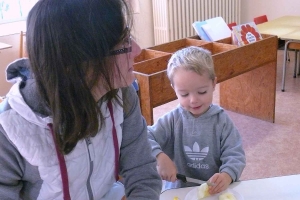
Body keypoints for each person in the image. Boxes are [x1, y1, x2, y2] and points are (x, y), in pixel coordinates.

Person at [0, 0, 162, 199]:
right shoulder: (9, 129)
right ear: (81, 61)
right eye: (124, 43)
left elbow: (143, 174)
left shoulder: (123, 95)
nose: (136, 50)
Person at [147, 46, 246, 195]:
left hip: (214, 192)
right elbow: (144, 137)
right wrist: (159, 156)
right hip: (178, 191)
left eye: (202, 92)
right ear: (174, 89)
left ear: (213, 84)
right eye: (184, 94)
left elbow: (235, 154)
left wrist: (227, 175)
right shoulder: (172, 119)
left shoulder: (222, 121)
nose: (193, 100)